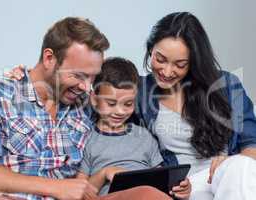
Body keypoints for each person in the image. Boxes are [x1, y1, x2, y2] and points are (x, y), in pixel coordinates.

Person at [0, 17, 165, 200]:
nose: (86, 86)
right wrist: (56, 188)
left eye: (92, 76)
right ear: (49, 58)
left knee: (148, 195)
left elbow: (120, 95)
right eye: (78, 75)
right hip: (11, 196)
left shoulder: (85, 103)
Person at [133, 12, 256, 200]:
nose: (166, 71)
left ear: (194, 62)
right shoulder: (139, 92)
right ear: (150, 50)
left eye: (180, 64)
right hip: (186, 188)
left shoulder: (227, 85)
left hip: (230, 176)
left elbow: (252, 145)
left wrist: (231, 161)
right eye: (160, 59)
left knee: (240, 167)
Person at [77, 57, 191, 199]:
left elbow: (161, 180)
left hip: (147, 195)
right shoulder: (86, 140)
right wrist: (104, 173)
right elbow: (80, 192)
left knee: (148, 192)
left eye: (128, 104)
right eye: (111, 103)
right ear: (94, 99)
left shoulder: (144, 136)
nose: (120, 111)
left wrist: (181, 187)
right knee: (146, 193)